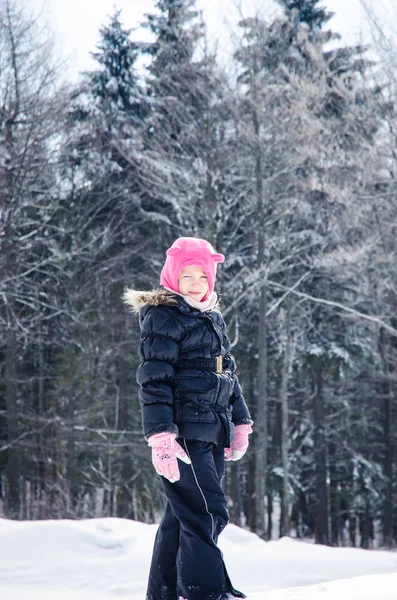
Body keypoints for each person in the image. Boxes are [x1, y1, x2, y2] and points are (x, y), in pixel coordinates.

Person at [123, 236, 253, 600]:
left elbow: (228, 374)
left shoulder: (211, 317)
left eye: (202, 276)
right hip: (184, 434)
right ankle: (205, 592)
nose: (195, 284)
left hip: (211, 429)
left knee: (182, 516)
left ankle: (164, 593)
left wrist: (239, 421)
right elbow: (155, 379)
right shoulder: (164, 316)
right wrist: (161, 435)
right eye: (187, 277)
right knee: (207, 512)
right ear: (172, 278)